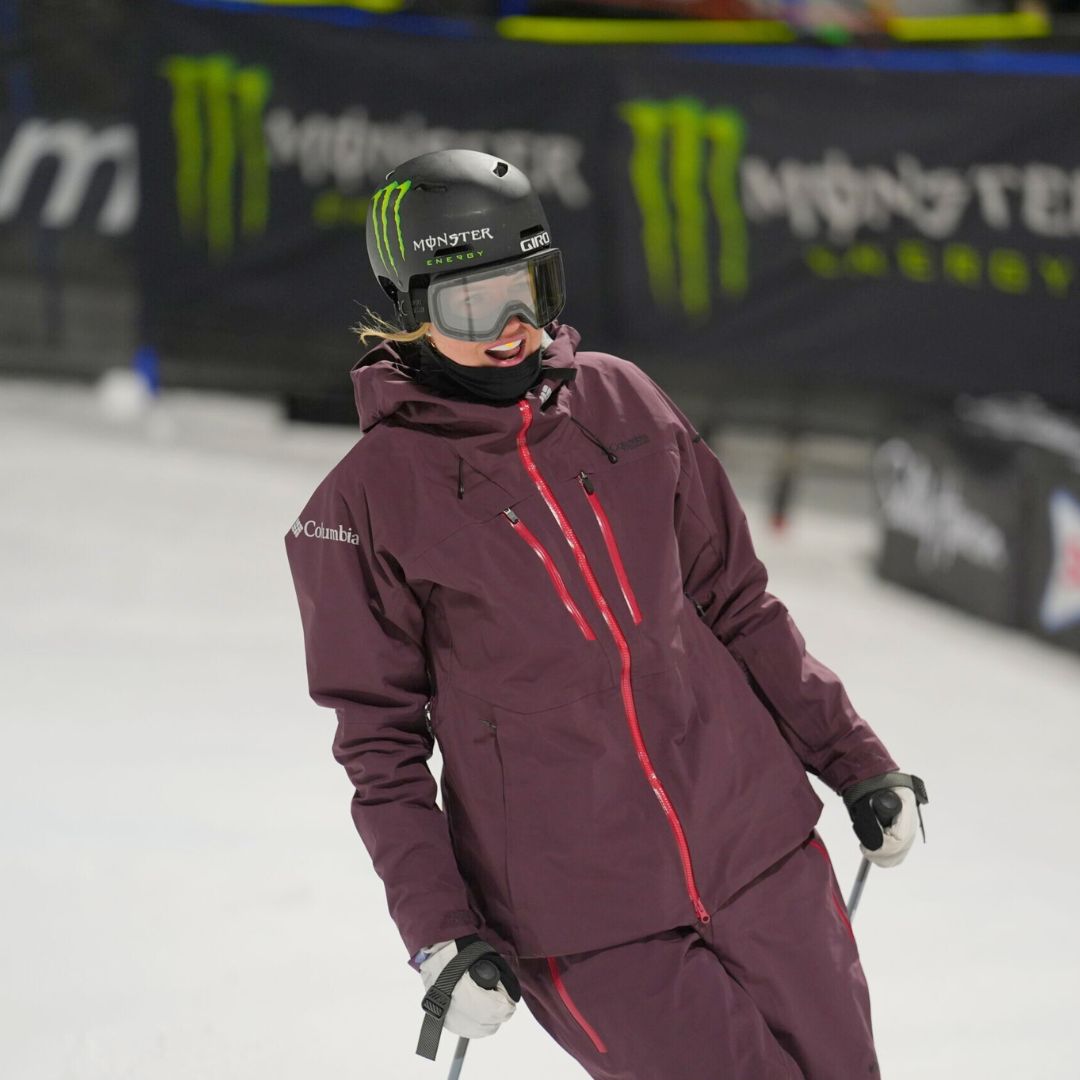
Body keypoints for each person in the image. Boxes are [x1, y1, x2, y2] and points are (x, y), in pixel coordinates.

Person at [285, 148, 927, 1079]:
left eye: (524, 295)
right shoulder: (366, 503)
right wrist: (438, 933)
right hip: (582, 917)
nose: (509, 332)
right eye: (469, 307)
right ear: (411, 308)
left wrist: (854, 758)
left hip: (757, 841)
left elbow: (737, 601)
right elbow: (379, 749)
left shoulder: (623, 401)